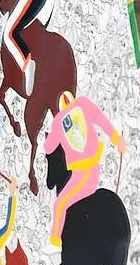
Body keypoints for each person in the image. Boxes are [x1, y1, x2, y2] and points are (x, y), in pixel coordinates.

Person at [42, 90, 127, 252]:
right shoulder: (83, 105)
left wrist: (50, 132)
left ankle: (55, 242)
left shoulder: (59, 120)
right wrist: (117, 139)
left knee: (60, 204)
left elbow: (49, 147)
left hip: (84, 171)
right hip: (89, 168)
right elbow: (103, 122)